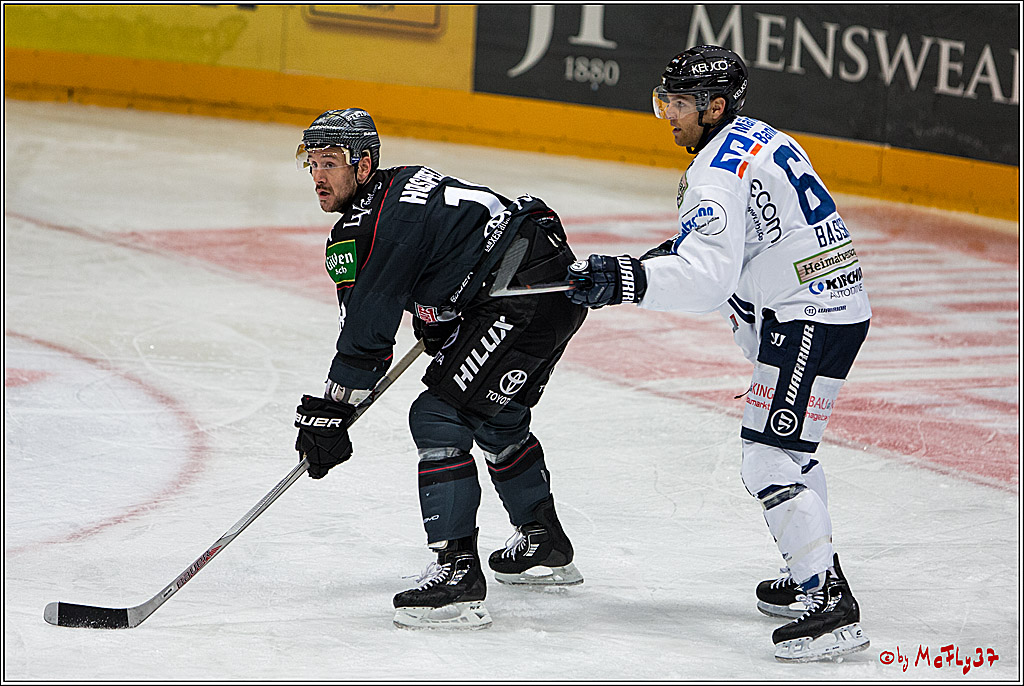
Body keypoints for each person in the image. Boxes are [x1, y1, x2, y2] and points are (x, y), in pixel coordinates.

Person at [566, 45, 872, 663]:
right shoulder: (759, 137)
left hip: (807, 315)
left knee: (767, 458)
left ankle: (830, 604)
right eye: (666, 101)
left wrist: (628, 280)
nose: (670, 115)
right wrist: (648, 264)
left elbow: (708, 278)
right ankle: (811, 573)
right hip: (827, 305)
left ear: (715, 107)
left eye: (681, 103)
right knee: (790, 453)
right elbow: (730, 247)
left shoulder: (713, 173)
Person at [291, 108, 587, 630]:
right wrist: (442, 313)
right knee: (494, 414)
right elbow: (456, 249)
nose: (318, 175)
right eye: (312, 163)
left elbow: (367, 331)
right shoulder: (402, 184)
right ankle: (543, 539)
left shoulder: (368, 229)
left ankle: (458, 575)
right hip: (552, 286)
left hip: (516, 297)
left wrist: (331, 412)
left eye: (331, 163)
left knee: (438, 415)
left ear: (363, 166)